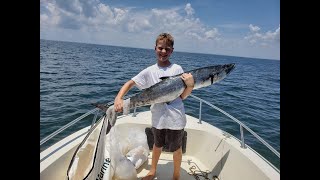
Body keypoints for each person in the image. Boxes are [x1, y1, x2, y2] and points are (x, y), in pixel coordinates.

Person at [113, 33, 194, 180]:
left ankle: (176, 176)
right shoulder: (149, 71)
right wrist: (119, 98)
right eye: (160, 48)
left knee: (177, 148)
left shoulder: (177, 69)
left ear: (172, 51)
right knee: (157, 145)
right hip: (158, 117)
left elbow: (182, 96)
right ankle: (152, 171)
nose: (163, 52)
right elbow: (130, 83)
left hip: (176, 118)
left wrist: (190, 85)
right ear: (155, 48)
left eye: (167, 49)